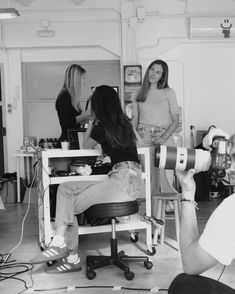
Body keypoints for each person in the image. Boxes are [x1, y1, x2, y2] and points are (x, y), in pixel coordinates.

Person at [31, 85, 143, 273]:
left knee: (68, 205)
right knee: (66, 189)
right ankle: (64, 249)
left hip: (121, 181)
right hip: (126, 177)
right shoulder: (124, 124)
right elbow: (139, 143)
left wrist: (92, 118)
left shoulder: (101, 126)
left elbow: (86, 143)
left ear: (98, 106)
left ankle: (67, 252)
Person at [169, 127, 235, 294]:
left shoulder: (231, 209)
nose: (229, 168)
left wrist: (188, 194)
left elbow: (191, 264)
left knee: (183, 285)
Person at [132, 59, 180, 210]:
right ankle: (152, 220)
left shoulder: (168, 92)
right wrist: (137, 140)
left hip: (164, 137)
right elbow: (134, 121)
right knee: (149, 181)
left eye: (158, 72)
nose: (154, 74)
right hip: (144, 138)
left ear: (163, 76)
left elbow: (175, 121)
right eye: (152, 70)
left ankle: (168, 212)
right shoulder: (138, 93)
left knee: (165, 179)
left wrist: (163, 137)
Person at [56, 64, 91, 144]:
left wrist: (83, 119)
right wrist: (85, 115)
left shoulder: (71, 97)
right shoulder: (65, 97)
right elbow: (66, 123)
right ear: (77, 80)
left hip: (73, 140)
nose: (84, 82)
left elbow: (72, 120)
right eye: (83, 78)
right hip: (67, 142)